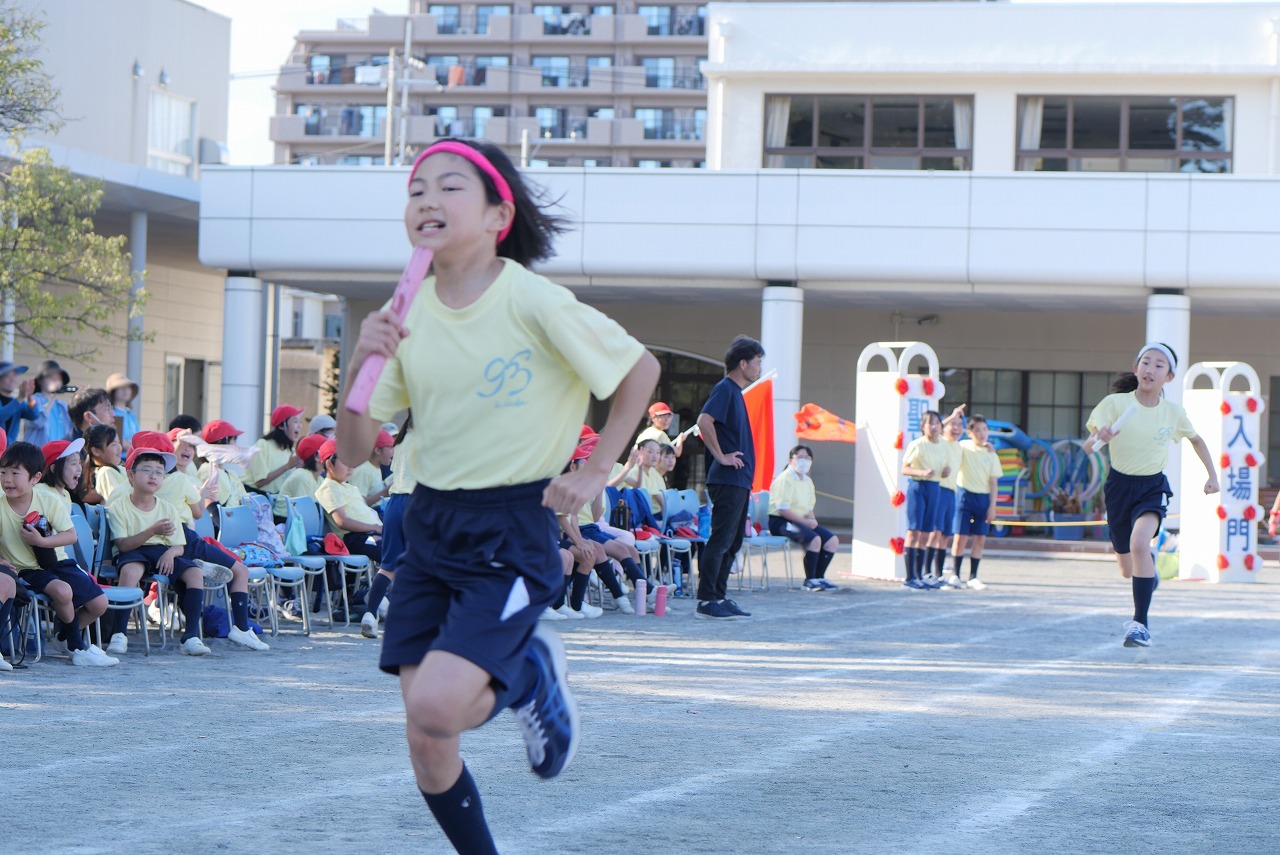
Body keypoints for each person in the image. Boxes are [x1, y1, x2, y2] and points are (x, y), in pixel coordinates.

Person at [335, 138, 658, 854]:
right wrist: (359, 361)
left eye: (450, 187)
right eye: (416, 189)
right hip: (429, 523)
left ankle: (530, 673)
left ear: (497, 216)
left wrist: (596, 470)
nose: (427, 200)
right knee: (427, 737)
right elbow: (352, 449)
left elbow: (639, 369)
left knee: (436, 704)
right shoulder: (404, 308)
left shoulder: (531, 298)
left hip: (510, 527)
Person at [1084, 343, 1218, 648]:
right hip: (1119, 488)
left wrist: (1212, 476)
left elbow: (1196, 440)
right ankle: (1150, 573)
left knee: (1139, 543)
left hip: (1152, 487)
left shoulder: (1173, 413)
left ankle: (1140, 625)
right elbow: (1088, 447)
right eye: (1146, 362)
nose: (1150, 369)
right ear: (1136, 369)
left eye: (1159, 365)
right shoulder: (1114, 404)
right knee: (1127, 569)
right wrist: (1099, 437)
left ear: (1169, 377)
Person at [0, 441, 116, 666]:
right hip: (24, 569)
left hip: (56, 561)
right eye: (3, 472)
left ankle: (63, 638)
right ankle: (77, 647)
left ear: (35, 478)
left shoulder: (48, 499)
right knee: (62, 591)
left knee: (100, 603)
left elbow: (70, 536)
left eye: (15, 473)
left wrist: (41, 541)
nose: (7, 479)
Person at [108, 445, 212, 656]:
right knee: (130, 572)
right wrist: (152, 530)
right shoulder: (119, 506)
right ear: (131, 475)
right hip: (133, 550)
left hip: (162, 551)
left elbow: (179, 544)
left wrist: (171, 553)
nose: (153, 476)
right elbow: (123, 545)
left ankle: (191, 636)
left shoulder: (167, 507)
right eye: (146, 470)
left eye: (159, 472)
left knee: (194, 573)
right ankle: (119, 633)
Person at [695, 335, 763, 620]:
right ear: (743, 363)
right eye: (758, 362)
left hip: (739, 480)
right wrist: (721, 456)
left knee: (733, 542)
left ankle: (719, 597)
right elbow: (703, 421)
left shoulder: (736, 392)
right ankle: (706, 600)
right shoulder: (725, 389)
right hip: (727, 479)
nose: (760, 368)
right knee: (721, 540)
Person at [364, 416, 415, 639]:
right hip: (418, 503)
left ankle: (369, 614)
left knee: (388, 567)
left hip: (395, 504)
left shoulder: (402, 438)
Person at [768, 445, 840, 591]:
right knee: (814, 540)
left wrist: (812, 521)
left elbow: (809, 508)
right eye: (800, 457)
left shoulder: (808, 481)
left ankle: (819, 578)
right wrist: (806, 523)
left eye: (807, 458)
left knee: (832, 541)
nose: (804, 461)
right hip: (781, 522)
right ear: (790, 460)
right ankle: (810, 580)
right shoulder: (785, 479)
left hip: (802, 521)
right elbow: (783, 510)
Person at [947, 415, 1003, 591]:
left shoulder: (991, 454)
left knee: (980, 538)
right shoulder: (963, 447)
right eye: (977, 430)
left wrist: (992, 506)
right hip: (964, 496)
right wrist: (954, 418)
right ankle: (955, 575)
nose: (982, 433)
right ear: (970, 432)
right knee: (960, 537)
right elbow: (948, 441)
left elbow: (993, 482)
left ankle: (973, 577)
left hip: (983, 499)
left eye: (984, 429)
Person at [901, 410, 949, 590]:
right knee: (914, 531)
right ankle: (909, 578)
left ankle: (919, 575)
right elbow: (904, 469)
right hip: (918, 487)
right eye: (930, 423)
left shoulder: (943, 445)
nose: (934, 426)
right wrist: (921, 472)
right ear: (922, 426)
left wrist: (946, 472)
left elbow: (944, 468)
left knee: (927, 533)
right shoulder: (917, 444)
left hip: (935, 487)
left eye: (937, 422)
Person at [315, 438, 384, 563]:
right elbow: (342, 521)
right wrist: (375, 528)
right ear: (329, 464)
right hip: (355, 537)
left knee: (406, 546)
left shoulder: (351, 488)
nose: (351, 467)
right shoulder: (329, 488)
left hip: (371, 532)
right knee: (391, 555)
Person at [243, 404, 304, 519]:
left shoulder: (289, 450)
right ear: (282, 425)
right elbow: (260, 481)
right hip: (255, 500)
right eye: (295, 421)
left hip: (274, 501)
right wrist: (287, 466)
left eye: (300, 422)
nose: (300, 426)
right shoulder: (263, 444)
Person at [926, 411, 965, 586]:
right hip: (939, 489)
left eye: (960, 425)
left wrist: (988, 446)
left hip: (952, 492)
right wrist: (953, 415)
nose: (956, 428)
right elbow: (937, 428)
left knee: (945, 535)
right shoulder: (941, 442)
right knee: (935, 532)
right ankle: (927, 573)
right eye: (952, 424)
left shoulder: (960, 446)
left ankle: (939, 574)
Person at [197, 419, 249, 509]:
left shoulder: (231, 474)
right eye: (234, 440)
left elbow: (246, 503)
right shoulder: (208, 470)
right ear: (223, 443)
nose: (236, 446)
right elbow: (215, 507)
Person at [24, 360, 74, 447]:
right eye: (51, 377)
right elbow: (38, 422)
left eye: (58, 379)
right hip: (38, 453)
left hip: (59, 453)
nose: (56, 381)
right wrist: (52, 398)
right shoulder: (34, 400)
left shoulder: (62, 406)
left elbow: (73, 428)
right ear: (40, 381)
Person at [277, 433, 327, 507]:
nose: (331, 456)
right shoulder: (302, 476)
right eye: (326, 451)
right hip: (287, 515)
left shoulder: (320, 479)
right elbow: (305, 509)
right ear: (316, 457)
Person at [348, 429, 395, 507]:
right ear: (377, 450)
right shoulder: (363, 470)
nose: (393, 451)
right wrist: (384, 492)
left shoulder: (376, 467)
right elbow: (357, 503)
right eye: (390, 447)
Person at [37, 438, 85, 513]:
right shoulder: (42, 492)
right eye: (74, 464)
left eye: (79, 463)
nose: (80, 469)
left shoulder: (66, 494)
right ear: (54, 468)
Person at [83, 423, 126, 504]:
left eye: (119, 442)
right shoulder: (106, 472)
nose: (119, 448)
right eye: (113, 444)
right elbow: (118, 503)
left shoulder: (119, 469)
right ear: (96, 451)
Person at [0, 361, 38, 442]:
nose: (12, 379)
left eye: (14, 376)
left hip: (10, 448)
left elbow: (34, 415)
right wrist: (20, 397)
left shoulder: (18, 402)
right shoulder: (18, 401)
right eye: (7, 376)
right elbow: (1, 416)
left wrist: (30, 397)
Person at [106, 372, 141, 446]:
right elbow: (118, 442)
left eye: (128, 387)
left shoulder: (130, 414)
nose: (126, 390)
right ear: (113, 391)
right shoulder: (111, 413)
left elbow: (139, 437)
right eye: (121, 387)